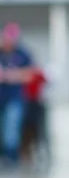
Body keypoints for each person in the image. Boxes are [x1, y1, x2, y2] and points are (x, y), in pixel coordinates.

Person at [0, 22, 32, 165]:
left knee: (11, 127)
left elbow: (30, 74)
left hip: (15, 98)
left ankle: (11, 155)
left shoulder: (22, 54)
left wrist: (11, 75)